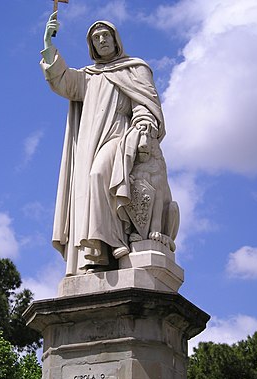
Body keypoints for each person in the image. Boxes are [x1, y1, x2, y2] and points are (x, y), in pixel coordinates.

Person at [40, 12, 166, 276]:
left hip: (120, 137)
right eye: (96, 38)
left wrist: (144, 122)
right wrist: (49, 45)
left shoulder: (134, 69)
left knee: (100, 175)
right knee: (87, 187)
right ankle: (96, 251)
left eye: (105, 35)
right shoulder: (88, 76)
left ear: (115, 39)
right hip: (88, 142)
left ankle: (115, 242)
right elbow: (62, 81)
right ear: (91, 46)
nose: (101, 40)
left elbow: (146, 105)